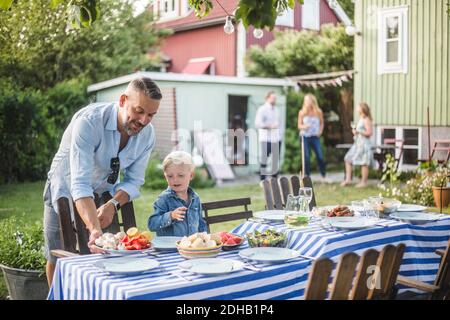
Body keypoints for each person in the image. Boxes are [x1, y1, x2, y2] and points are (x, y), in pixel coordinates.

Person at [43, 77, 162, 286]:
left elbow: (134, 181)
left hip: (102, 189)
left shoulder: (147, 135)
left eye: (151, 114)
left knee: (101, 254)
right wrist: (94, 228)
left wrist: (112, 205)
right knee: (58, 256)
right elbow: (79, 183)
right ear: (123, 100)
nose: (144, 120)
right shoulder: (88, 122)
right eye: (139, 111)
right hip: (63, 187)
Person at [148, 151, 207, 236]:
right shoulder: (164, 199)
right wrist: (170, 216)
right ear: (165, 176)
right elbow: (152, 224)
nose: (175, 180)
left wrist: (206, 239)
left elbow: (201, 223)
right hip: (170, 248)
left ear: (191, 175)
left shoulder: (195, 198)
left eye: (180, 175)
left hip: (191, 247)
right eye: (170, 176)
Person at [341, 102, 374, 188]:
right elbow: (362, 132)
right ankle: (348, 179)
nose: (356, 108)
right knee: (348, 158)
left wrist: (358, 131)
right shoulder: (361, 118)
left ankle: (364, 182)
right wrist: (356, 133)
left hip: (364, 145)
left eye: (358, 107)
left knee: (364, 163)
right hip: (357, 144)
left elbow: (369, 133)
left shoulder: (366, 119)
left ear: (363, 109)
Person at [298, 93, 328, 181]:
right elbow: (299, 125)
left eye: (308, 100)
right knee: (306, 157)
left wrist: (320, 131)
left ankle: (323, 175)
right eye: (305, 100)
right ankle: (307, 177)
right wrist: (304, 126)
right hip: (305, 137)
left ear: (312, 101)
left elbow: (322, 123)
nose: (307, 102)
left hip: (315, 137)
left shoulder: (318, 111)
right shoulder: (302, 112)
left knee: (320, 156)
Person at [254, 91, 282, 180]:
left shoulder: (277, 110)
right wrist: (269, 126)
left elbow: (278, 123)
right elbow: (257, 123)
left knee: (275, 160)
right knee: (264, 159)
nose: (274, 100)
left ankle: (275, 180)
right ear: (267, 98)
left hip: (276, 138)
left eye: (275, 98)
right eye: (272, 98)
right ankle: (262, 180)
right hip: (265, 138)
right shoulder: (262, 109)